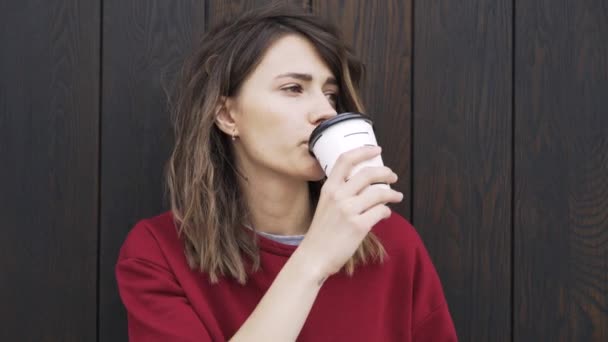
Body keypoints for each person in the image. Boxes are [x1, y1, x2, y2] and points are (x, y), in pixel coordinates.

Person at [115, 4, 457, 342]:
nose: (325, 111)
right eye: (293, 88)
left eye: (331, 94)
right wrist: (313, 260)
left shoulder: (394, 244)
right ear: (227, 115)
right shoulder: (158, 253)